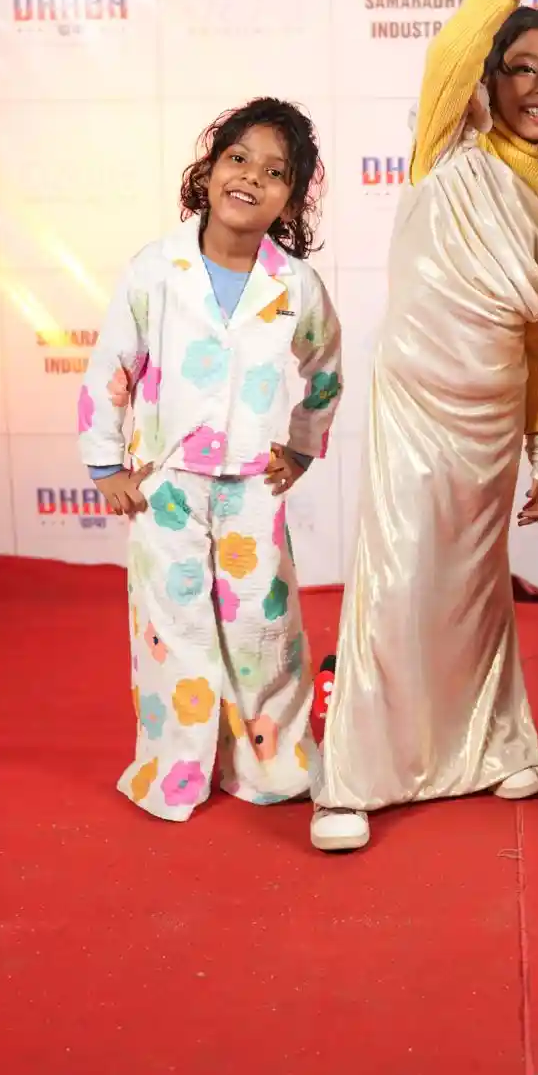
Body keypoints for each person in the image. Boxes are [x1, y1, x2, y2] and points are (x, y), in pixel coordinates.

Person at [311, 0, 538, 852]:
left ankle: (488, 744)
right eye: (524, 67)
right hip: (419, 404)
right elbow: (448, 51)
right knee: (398, 579)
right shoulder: (448, 147)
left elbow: (534, 335)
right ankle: (355, 776)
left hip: (493, 415)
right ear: (489, 78)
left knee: (473, 588)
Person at [78, 99, 342, 821]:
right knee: (175, 635)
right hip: (165, 485)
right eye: (238, 159)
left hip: (253, 487)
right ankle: (174, 773)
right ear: (209, 168)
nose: (251, 178)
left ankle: (274, 766)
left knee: (264, 632)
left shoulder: (295, 285)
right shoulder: (155, 269)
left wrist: (302, 445)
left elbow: (325, 371)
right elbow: (112, 367)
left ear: (292, 199)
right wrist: (106, 465)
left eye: (275, 173)